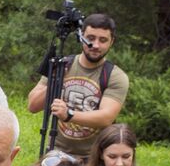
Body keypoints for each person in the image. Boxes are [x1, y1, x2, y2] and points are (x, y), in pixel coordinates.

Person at [26, 12, 129, 158]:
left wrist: (68, 115)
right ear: (81, 36)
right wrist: (56, 80)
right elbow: (32, 105)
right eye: (90, 38)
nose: (95, 45)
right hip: (57, 152)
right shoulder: (62, 65)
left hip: (94, 157)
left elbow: (106, 118)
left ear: (111, 41)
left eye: (103, 40)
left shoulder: (115, 76)